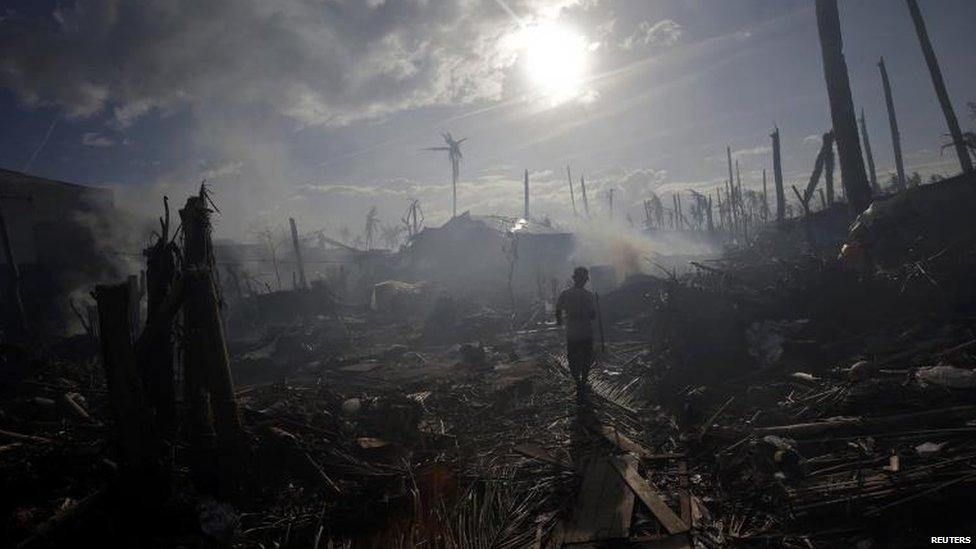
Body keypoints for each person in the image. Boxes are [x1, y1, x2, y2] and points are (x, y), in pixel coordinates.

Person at [555, 267, 597, 400]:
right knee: (586, 359)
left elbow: (558, 310)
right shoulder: (589, 296)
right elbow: (592, 315)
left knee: (573, 359)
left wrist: (560, 322)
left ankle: (578, 383)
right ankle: (583, 381)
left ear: (574, 279)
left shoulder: (565, 294)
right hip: (586, 333)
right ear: (585, 280)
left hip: (572, 333)